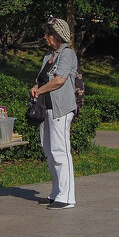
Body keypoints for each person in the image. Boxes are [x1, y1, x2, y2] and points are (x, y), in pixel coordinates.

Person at [30, 17, 78, 209]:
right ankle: (56, 192)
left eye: (48, 34)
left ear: (57, 35)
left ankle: (67, 197)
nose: (45, 37)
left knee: (61, 151)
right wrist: (36, 87)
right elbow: (43, 80)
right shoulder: (47, 57)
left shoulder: (67, 54)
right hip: (46, 109)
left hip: (61, 109)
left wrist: (40, 90)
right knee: (49, 151)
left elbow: (59, 80)